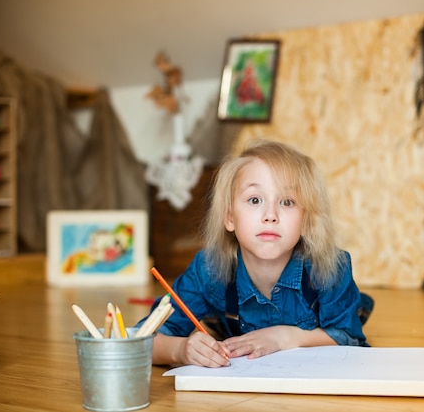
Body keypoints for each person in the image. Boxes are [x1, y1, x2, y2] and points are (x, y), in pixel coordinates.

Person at [138, 139, 373, 367]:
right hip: (229, 324)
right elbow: (142, 340)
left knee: (352, 309)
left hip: (328, 314)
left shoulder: (331, 267)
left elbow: (349, 338)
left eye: (287, 202)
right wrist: (180, 350)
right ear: (230, 217)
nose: (270, 215)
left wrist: (283, 337)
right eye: (254, 199)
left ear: (306, 220)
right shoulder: (208, 269)